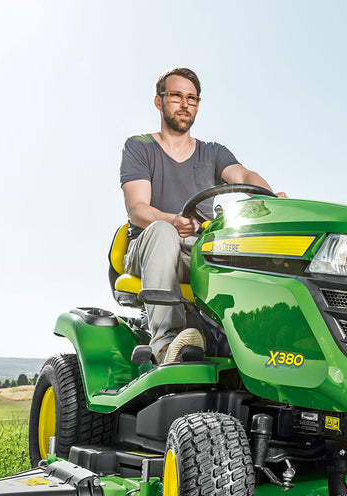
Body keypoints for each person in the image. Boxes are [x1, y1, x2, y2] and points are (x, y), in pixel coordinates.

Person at [120, 67, 284, 364]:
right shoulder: (140, 147)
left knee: (250, 246)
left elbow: (243, 175)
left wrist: (270, 198)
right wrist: (172, 220)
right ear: (159, 102)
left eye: (192, 98)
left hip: (200, 251)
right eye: (176, 96)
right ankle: (165, 344)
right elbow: (137, 209)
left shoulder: (213, 152)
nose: (185, 104)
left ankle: (257, 346)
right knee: (161, 231)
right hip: (148, 246)